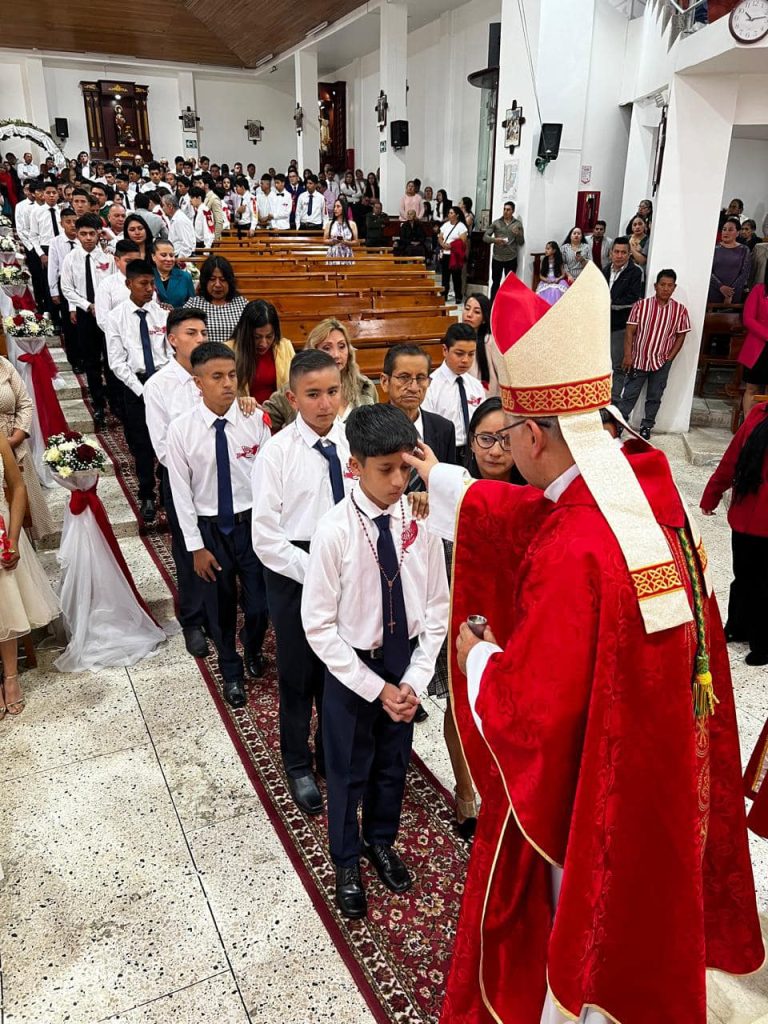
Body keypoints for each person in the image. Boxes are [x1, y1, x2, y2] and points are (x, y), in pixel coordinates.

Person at [406, 264, 764, 1024]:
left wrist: (476, 659)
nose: (507, 449)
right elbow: (533, 517)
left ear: (533, 434)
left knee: (578, 935)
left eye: (509, 436)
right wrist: (447, 484)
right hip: (661, 768)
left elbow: (530, 716)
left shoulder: (578, 551)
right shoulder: (645, 486)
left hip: (592, 796)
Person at [301, 403, 449, 919]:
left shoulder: (421, 524)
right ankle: (346, 859)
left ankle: (379, 839)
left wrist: (413, 678)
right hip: (351, 669)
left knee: (392, 763)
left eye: (405, 468)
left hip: (402, 663)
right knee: (347, 770)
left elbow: (436, 608)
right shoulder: (334, 531)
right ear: (354, 466)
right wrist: (373, 687)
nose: (397, 480)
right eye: (384, 469)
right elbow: (318, 625)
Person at [251, 350, 354, 815]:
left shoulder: (354, 442)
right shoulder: (277, 452)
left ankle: (330, 751)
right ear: (293, 398)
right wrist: (316, 571)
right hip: (296, 568)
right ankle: (296, 761)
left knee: (340, 668)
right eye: (313, 395)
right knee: (298, 672)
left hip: (348, 564)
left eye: (333, 392)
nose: (325, 404)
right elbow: (266, 537)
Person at [166, 342, 271, 707]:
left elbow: (269, 478)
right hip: (211, 530)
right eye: (217, 377)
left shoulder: (255, 419)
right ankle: (231, 670)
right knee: (219, 607)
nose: (228, 383)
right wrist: (195, 546)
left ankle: (253, 645)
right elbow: (181, 493)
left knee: (261, 604)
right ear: (198, 382)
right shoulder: (181, 430)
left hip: (252, 524)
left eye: (232, 375)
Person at [145, 309, 211, 659]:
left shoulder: (214, 376)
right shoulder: (159, 385)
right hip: (181, 479)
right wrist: (197, 466)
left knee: (216, 544)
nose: (200, 339)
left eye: (203, 333)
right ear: (172, 339)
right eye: (191, 333)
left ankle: (216, 612)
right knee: (188, 549)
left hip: (217, 478)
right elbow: (162, 446)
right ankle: (192, 619)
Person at [701, 400, 768, 666]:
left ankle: (763, 642)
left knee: (765, 583)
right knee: (743, 575)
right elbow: (732, 458)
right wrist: (712, 494)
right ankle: (738, 626)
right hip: (745, 514)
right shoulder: (757, 413)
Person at [0, 433, 60, 719]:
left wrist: (12, 538)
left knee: (5, 602)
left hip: (2, 531)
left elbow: (18, 487)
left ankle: (11, 677)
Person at [105, 259, 169, 522]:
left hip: (163, 385)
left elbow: (170, 351)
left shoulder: (162, 315)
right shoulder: (116, 317)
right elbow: (117, 362)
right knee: (142, 444)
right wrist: (142, 390)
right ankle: (147, 495)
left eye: (152, 283)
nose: (149, 289)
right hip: (137, 387)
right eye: (143, 284)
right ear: (128, 283)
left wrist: (164, 384)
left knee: (168, 438)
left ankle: (166, 487)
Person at [616, 269, 691, 438]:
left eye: (669, 285)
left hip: (661, 361)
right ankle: (620, 424)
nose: (665, 288)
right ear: (655, 286)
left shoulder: (680, 310)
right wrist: (628, 355)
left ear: (674, 288)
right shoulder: (641, 306)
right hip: (638, 359)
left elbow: (681, 335)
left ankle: (646, 426)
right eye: (662, 285)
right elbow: (630, 331)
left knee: (655, 396)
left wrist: (669, 358)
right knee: (629, 394)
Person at [60, 213, 116, 430]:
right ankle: (99, 402)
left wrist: (102, 306)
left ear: (98, 234)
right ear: (77, 235)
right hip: (86, 313)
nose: (88, 238)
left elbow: (113, 285)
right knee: (91, 360)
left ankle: (115, 399)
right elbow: (67, 288)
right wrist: (87, 305)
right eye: (83, 234)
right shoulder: (71, 259)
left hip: (107, 313)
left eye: (92, 234)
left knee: (111, 357)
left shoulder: (108, 259)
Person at [380, 344, 457, 484]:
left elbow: (449, 486)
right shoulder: (370, 428)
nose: (414, 388)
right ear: (385, 381)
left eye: (421, 378)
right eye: (404, 377)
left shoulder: (444, 428)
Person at [0, 356, 54, 541]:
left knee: (22, 506)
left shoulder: (3, 364)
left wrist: (17, 435)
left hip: (14, 445)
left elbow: (25, 403)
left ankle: (25, 548)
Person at [422, 322, 485, 464]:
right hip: (442, 452)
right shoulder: (431, 386)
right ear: (445, 350)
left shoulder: (475, 385)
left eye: (471, 354)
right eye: (459, 353)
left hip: (473, 452)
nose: (465, 360)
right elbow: (429, 429)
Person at [228, 299, 295, 405]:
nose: (263, 343)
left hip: (279, 415)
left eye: (269, 336)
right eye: (256, 337)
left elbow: (295, 386)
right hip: (244, 414)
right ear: (246, 333)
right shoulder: (228, 350)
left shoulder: (284, 347)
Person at [603, 236, 644, 392]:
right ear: (611, 253)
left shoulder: (635, 272)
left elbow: (633, 298)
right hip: (603, 324)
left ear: (629, 254)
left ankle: (615, 402)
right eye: (616, 252)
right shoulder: (606, 269)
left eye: (623, 252)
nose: (619, 255)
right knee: (602, 364)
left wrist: (610, 303)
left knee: (618, 365)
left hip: (621, 325)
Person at [183, 256, 247, 345]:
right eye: (212, 279)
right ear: (205, 281)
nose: (217, 285)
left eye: (223, 280)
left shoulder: (242, 304)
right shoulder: (193, 305)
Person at [47, 206, 81, 370]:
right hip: (64, 284)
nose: (72, 225)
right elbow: (52, 267)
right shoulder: (55, 242)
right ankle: (75, 359)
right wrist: (54, 291)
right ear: (62, 224)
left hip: (82, 283)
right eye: (68, 222)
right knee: (69, 324)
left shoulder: (82, 240)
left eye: (75, 221)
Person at [739, 262, 768, 416]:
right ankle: (748, 428)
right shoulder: (759, 290)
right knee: (752, 388)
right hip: (758, 347)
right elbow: (748, 319)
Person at [483, 201, 525, 301]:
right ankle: (492, 304)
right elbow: (485, 237)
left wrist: (518, 234)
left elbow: (521, 242)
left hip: (511, 258)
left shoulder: (517, 224)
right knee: (495, 282)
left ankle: (508, 303)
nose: (506, 212)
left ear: (513, 211)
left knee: (510, 283)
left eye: (508, 210)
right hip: (497, 257)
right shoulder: (496, 223)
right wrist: (495, 240)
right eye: (504, 209)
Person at [462, 294, 503, 395]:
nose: (469, 314)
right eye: (467, 309)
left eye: (476, 312)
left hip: (487, 396)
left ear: (484, 318)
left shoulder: (489, 341)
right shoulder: (456, 338)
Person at [708, 217, 751, 304]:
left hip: (734, 294)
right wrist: (720, 287)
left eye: (730, 230)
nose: (726, 232)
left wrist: (730, 293)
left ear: (737, 233)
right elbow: (708, 271)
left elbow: (744, 274)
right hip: (714, 292)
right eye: (724, 229)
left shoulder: (744, 250)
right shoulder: (713, 249)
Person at [152, 239, 196, 309]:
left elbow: (193, 305)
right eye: (163, 255)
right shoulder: (148, 276)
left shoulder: (185, 277)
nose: (169, 259)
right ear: (153, 257)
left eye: (171, 255)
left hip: (180, 318)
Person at [437, 206, 468, 303]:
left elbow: (463, 241)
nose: (449, 215)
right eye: (449, 213)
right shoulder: (445, 225)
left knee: (456, 276)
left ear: (457, 215)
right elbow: (440, 237)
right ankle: (444, 294)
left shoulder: (461, 226)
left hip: (455, 254)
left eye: (451, 213)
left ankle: (458, 296)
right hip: (445, 253)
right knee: (445, 276)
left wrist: (451, 245)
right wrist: (442, 244)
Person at [161, 193, 196, 259]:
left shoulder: (180, 220)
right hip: (175, 255)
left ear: (170, 206)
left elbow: (187, 245)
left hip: (180, 258)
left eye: (163, 205)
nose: (162, 208)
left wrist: (179, 260)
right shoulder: (176, 218)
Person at [535, 240, 569, 306]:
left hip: (557, 279)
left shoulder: (558, 260)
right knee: (546, 291)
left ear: (554, 250)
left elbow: (563, 274)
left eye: (548, 249)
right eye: (546, 248)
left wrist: (558, 279)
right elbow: (541, 276)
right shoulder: (544, 260)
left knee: (556, 290)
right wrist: (546, 280)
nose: (546, 250)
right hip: (546, 280)